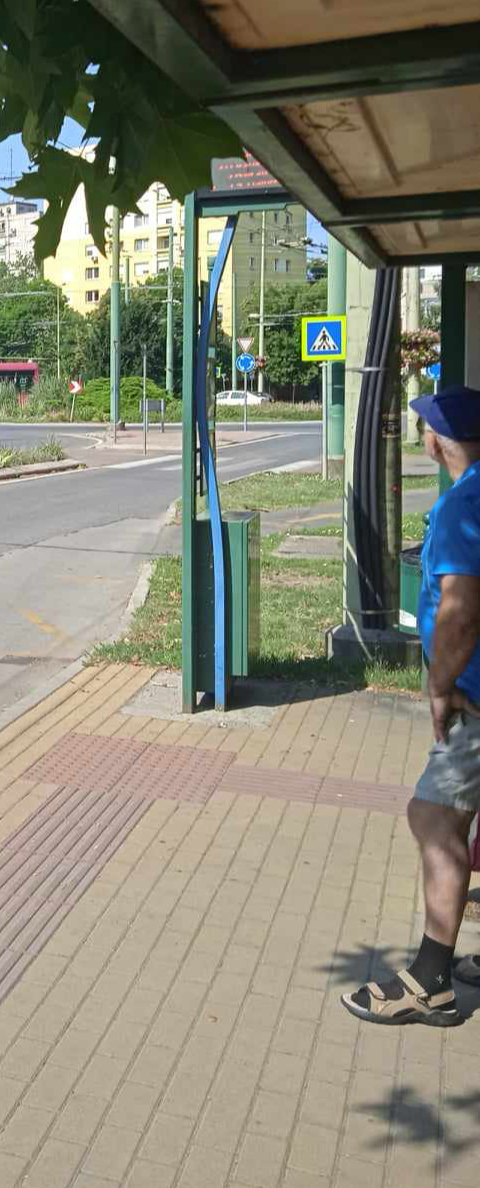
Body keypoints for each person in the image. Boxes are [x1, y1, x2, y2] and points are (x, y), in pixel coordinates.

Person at [343, 385, 480, 1027]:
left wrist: (440, 686)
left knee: (434, 817)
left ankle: (430, 982)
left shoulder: (464, 505)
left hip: (473, 698)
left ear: (437, 440)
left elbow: (460, 611)